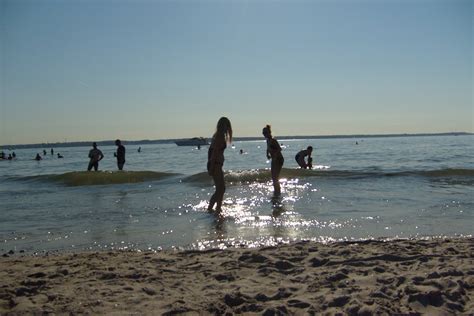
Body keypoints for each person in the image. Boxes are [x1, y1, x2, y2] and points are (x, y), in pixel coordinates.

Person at [207, 117, 232, 212]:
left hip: (217, 164)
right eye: (226, 125)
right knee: (220, 189)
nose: (227, 127)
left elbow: (212, 151)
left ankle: (218, 208)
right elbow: (214, 153)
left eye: (228, 125)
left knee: (221, 189)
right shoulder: (219, 136)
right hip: (216, 164)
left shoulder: (218, 135)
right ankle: (211, 208)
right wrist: (211, 166)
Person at [262, 124, 284, 196]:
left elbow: (279, 149)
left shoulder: (273, 140)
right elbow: (268, 148)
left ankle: (277, 192)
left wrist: (275, 155)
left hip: (278, 159)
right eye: (263, 133)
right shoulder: (268, 140)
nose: (264, 134)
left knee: (275, 177)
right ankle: (276, 191)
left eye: (265, 133)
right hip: (274, 159)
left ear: (269, 133)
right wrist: (267, 154)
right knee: (273, 177)